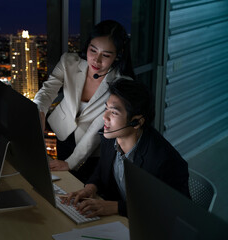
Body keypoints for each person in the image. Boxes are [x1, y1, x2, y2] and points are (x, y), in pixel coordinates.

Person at [63, 79, 191, 217]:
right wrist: (90, 188)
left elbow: (172, 210)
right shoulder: (110, 138)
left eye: (114, 113)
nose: (104, 117)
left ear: (136, 122)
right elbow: (101, 170)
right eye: (106, 109)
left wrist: (117, 207)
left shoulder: (165, 161)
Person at [33, 20, 134, 183]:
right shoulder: (69, 61)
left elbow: (97, 128)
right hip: (63, 132)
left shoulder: (121, 83)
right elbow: (48, 89)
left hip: (92, 147)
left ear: (118, 56)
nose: (96, 60)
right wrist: (38, 110)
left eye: (106, 55)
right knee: (63, 182)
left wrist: (71, 163)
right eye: (92, 51)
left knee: (83, 185)